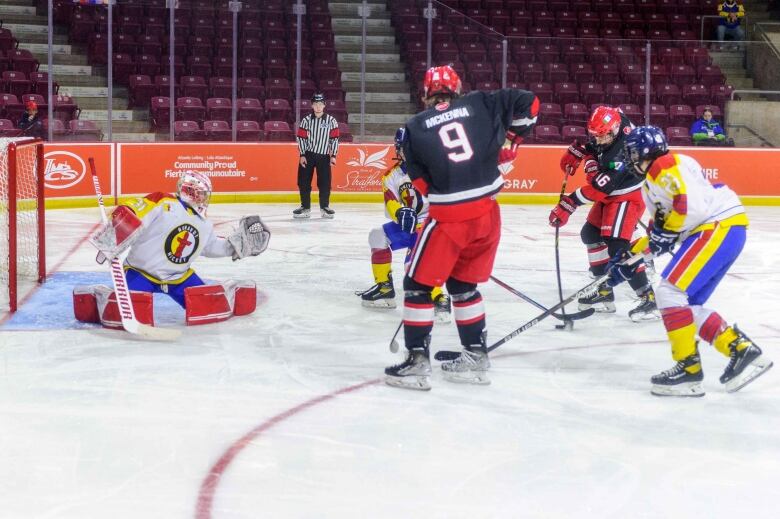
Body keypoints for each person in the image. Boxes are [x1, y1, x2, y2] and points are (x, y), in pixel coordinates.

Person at [384, 64, 538, 390]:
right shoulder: (481, 101)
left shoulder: (414, 126)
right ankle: (475, 355)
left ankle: (416, 360)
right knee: (463, 286)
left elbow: (422, 184)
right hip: (488, 216)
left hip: (450, 218)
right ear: (457, 89)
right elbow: (529, 102)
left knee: (417, 285)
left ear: (426, 93)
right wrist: (512, 139)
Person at [608, 126, 772, 397]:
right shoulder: (658, 177)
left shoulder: (664, 165)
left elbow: (689, 209)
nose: (629, 159)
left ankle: (688, 369)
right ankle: (741, 351)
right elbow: (663, 226)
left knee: (669, 293)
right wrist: (631, 255)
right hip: (722, 230)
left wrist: (664, 234)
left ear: (643, 152)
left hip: (717, 227)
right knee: (684, 306)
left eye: (632, 153)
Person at [73, 171, 271, 327]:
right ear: (192, 191)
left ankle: (229, 291)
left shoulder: (204, 223)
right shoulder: (163, 202)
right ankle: (97, 295)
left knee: (209, 308)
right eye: (202, 193)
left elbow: (211, 247)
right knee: (126, 311)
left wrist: (234, 247)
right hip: (141, 272)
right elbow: (136, 210)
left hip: (179, 277)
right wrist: (121, 222)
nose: (204, 198)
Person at [551, 105, 659, 321]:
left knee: (618, 246)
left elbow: (599, 187)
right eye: (595, 136)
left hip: (627, 195)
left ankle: (648, 299)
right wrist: (580, 149)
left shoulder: (626, 152)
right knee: (590, 235)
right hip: (612, 192)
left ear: (615, 130)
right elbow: (595, 141)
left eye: (601, 137)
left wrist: (568, 204)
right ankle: (603, 291)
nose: (597, 140)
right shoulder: (614, 121)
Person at [355, 127, 451, 322]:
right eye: (405, 148)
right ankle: (385, 288)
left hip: (429, 227)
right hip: (408, 226)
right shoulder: (391, 176)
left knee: (412, 266)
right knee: (377, 235)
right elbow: (391, 201)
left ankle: (438, 296)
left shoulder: (432, 169)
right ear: (397, 150)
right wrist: (400, 213)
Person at [294, 92, 339, 219]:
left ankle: (324, 207)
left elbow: (334, 139)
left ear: (324, 105)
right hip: (308, 155)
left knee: (325, 183)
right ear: (312, 106)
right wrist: (302, 154)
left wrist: (333, 155)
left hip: (324, 156)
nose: (318, 107)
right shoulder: (306, 120)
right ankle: (305, 207)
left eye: (320, 104)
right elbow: (301, 138)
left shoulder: (331, 121)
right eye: (315, 104)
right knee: (303, 182)